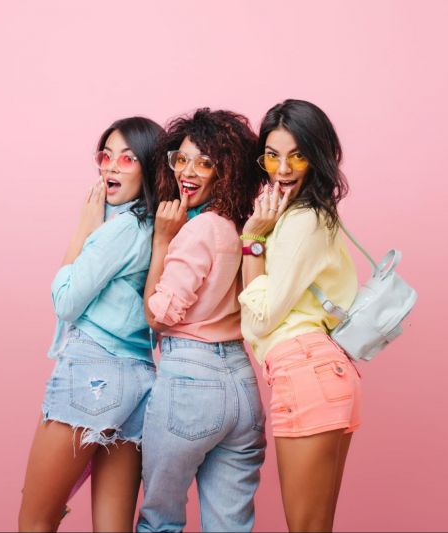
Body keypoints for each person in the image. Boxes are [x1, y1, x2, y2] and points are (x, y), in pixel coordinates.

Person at [19, 116, 163, 532]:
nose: (111, 166)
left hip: (93, 373)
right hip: (138, 382)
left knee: (35, 521)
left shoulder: (118, 230)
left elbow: (66, 302)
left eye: (128, 158)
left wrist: (84, 228)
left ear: (150, 167)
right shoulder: (155, 228)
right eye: (106, 155)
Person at [136, 108, 266, 533]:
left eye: (205, 162)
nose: (187, 172)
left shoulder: (197, 230)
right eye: (182, 158)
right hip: (242, 384)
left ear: (227, 172)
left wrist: (161, 240)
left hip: (191, 381)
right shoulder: (240, 227)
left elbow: (158, 316)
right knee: (231, 526)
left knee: (160, 522)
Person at [239, 99, 360, 532]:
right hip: (323, 370)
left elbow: (261, 318)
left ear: (319, 155)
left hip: (304, 370)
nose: (283, 168)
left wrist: (252, 239)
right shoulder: (314, 215)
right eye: (272, 155)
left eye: (298, 154)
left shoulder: (300, 221)